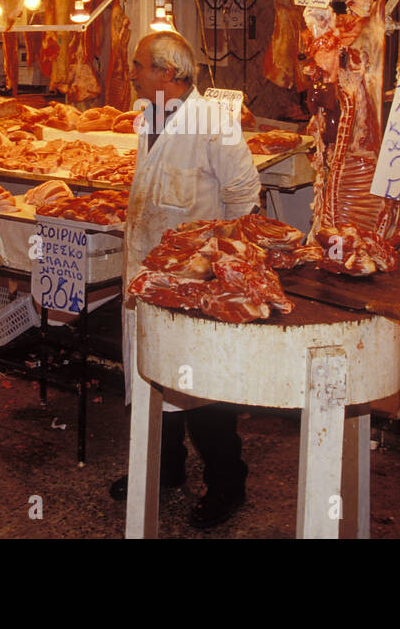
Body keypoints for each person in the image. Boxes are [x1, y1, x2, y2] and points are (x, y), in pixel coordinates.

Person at [110, 31, 261, 529]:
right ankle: (165, 469)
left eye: (138, 66)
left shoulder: (213, 124)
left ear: (168, 74)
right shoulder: (148, 117)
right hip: (146, 276)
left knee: (203, 393)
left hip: (195, 282)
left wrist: (230, 271)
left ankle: (227, 485)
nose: (131, 72)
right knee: (151, 377)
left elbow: (243, 196)